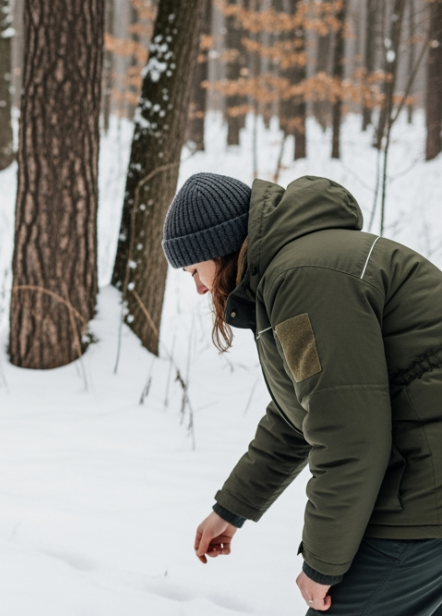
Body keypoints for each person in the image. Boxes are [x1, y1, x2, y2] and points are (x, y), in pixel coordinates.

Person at [165, 172, 442, 614]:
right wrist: (232, 508)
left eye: (195, 270)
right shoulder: (296, 269)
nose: (199, 288)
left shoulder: (303, 278)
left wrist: (322, 565)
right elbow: (302, 415)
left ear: (220, 248)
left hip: (424, 494)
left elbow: (348, 434)